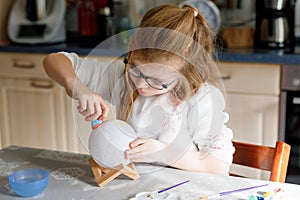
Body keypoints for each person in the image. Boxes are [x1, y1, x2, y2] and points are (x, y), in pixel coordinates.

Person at [43, 4, 235, 175]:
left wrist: (164, 153)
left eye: (157, 82)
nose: (141, 85)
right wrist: (77, 87)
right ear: (131, 48)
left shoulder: (202, 100)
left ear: (185, 74)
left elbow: (218, 166)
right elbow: (54, 60)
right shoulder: (121, 78)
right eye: (134, 67)